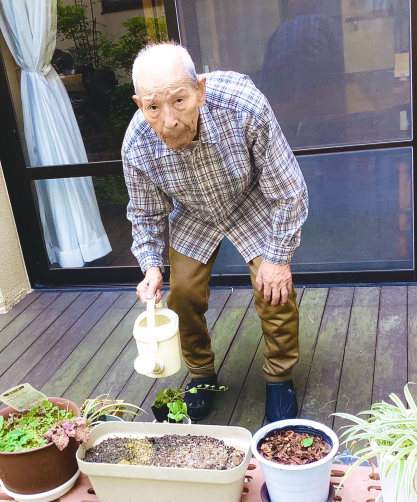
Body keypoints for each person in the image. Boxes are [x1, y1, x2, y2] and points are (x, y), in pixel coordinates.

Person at [122, 42, 308, 422]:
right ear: (140, 105)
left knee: (273, 290)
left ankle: (279, 377)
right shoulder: (136, 146)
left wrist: (277, 261)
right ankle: (201, 375)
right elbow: (145, 212)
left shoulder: (244, 107)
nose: (169, 121)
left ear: (200, 90)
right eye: (154, 107)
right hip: (193, 211)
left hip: (251, 197)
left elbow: (289, 192)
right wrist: (151, 265)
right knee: (183, 295)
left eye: (179, 101)